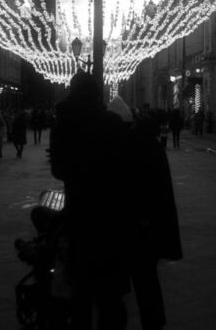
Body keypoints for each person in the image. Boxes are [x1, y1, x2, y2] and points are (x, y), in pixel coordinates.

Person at [49, 73, 131, 330]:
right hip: (109, 216)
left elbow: (58, 170)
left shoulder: (62, 124)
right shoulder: (112, 123)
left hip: (79, 214)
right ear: (98, 93)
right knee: (110, 294)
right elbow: (125, 169)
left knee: (80, 291)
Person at [111, 100, 183, 330]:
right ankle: (154, 322)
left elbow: (138, 186)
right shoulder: (147, 142)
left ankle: (138, 320)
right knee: (146, 280)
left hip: (139, 226)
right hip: (149, 225)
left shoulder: (134, 145)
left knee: (133, 280)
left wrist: (141, 216)